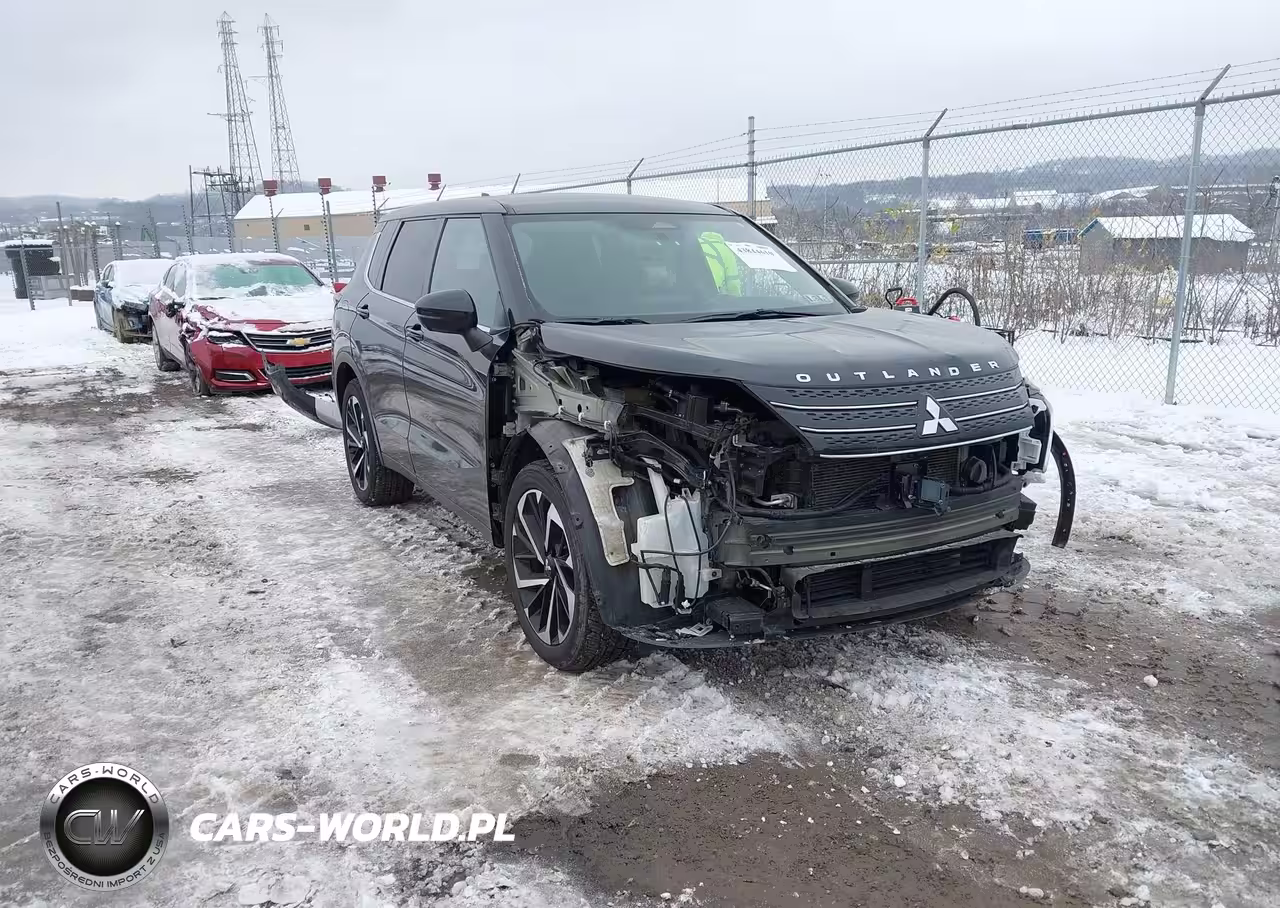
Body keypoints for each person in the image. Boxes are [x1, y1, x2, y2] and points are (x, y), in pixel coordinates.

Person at [697, 230, 743, 296]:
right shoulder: (726, 251)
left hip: (689, 297)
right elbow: (733, 284)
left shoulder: (694, 245)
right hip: (713, 298)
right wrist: (737, 302)